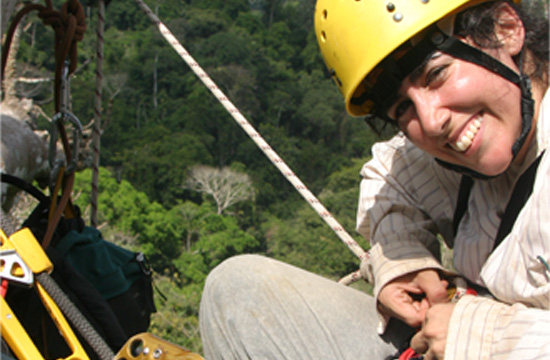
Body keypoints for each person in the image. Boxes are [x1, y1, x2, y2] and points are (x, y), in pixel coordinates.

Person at [198, 0, 549, 359]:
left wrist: (480, 337)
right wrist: (403, 259)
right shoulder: (456, 154)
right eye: (402, 108)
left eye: (436, 74)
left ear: (506, 29)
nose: (431, 121)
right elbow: (389, 172)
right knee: (238, 291)